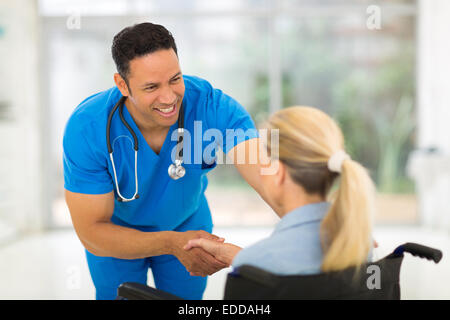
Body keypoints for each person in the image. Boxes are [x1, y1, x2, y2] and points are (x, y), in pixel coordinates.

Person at [63, 22, 271, 300]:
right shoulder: (88, 128)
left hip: (187, 226)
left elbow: (267, 178)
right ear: (122, 85)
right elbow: (91, 232)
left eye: (175, 79)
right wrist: (169, 243)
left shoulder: (211, 107)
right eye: (151, 87)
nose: (169, 97)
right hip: (116, 233)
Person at [184, 106, 376, 275]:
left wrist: (246, 261)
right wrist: (242, 258)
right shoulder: (360, 244)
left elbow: (275, 268)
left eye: (265, 159)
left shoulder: (257, 264)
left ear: (279, 172)